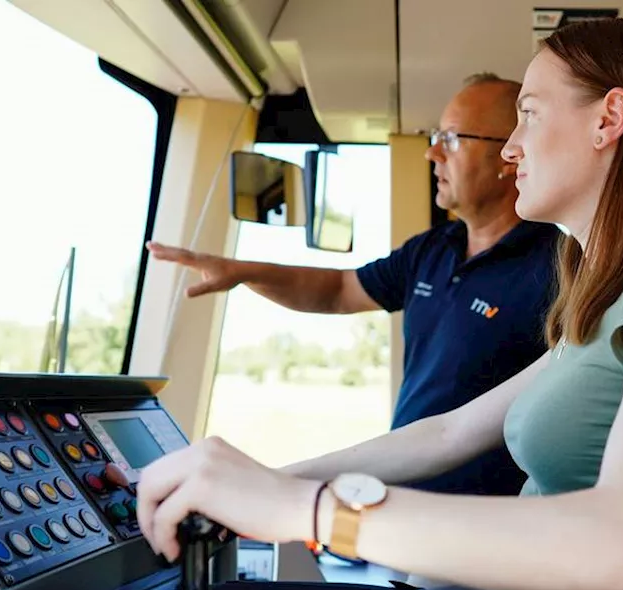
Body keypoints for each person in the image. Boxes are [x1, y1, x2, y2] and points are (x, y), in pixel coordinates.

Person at [137, 16, 623, 590]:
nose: (513, 146)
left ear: (609, 118)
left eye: (530, 113)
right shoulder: (610, 296)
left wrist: (312, 509)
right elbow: (449, 433)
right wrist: (267, 481)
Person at [146, 73, 559, 499]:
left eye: (451, 139)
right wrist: (244, 271)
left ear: (510, 156)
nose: (432, 152)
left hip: (488, 522)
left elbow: (462, 433)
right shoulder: (432, 249)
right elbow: (338, 290)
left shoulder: (558, 265)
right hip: (402, 501)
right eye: (435, 136)